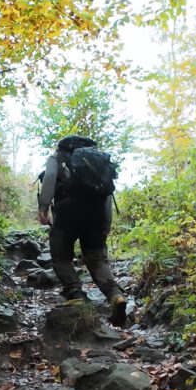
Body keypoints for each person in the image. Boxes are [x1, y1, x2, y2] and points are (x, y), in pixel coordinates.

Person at [37, 135, 127, 327]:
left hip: (67, 211)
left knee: (61, 255)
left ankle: (75, 293)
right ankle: (115, 295)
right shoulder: (97, 160)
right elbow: (107, 194)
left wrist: (43, 207)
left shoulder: (58, 156)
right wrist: (106, 222)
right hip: (96, 214)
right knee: (96, 258)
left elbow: (50, 177)